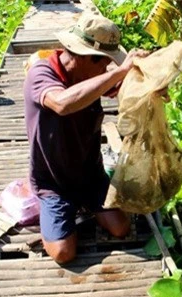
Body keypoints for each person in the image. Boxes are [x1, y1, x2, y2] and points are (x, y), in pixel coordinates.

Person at [23, 13, 149, 264]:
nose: (107, 70)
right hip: (53, 182)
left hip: (90, 175)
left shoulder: (92, 75)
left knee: (120, 228)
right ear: (82, 57)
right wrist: (120, 70)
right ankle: (54, 208)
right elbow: (61, 103)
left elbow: (123, 87)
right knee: (63, 253)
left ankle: (84, 204)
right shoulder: (41, 74)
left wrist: (150, 83)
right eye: (103, 63)